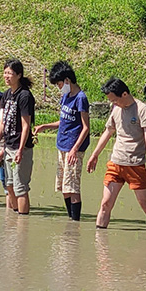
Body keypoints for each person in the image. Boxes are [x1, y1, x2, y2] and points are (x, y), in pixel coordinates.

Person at [86, 77, 146, 230]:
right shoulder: (115, 109)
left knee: (145, 205)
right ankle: (100, 243)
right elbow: (108, 132)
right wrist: (94, 155)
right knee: (105, 203)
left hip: (135, 164)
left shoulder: (142, 110)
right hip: (115, 163)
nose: (113, 103)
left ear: (125, 94)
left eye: (115, 100)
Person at [34, 61, 89, 221]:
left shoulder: (81, 98)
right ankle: (71, 219)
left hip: (74, 149)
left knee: (73, 187)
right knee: (64, 186)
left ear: (67, 80)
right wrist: (45, 126)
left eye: (58, 84)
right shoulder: (66, 96)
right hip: (62, 145)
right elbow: (63, 121)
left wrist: (74, 149)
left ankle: (75, 221)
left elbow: (85, 127)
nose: (58, 87)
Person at [0, 60, 36, 214]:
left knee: (20, 187)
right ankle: (15, 217)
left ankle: (23, 221)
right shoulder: (7, 95)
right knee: (9, 185)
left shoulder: (24, 96)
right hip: (8, 146)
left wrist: (21, 150)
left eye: (10, 73)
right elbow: (2, 123)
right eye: (5, 73)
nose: (6, 76)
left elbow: (26, 125)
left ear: (19, 75)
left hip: (20, 147)